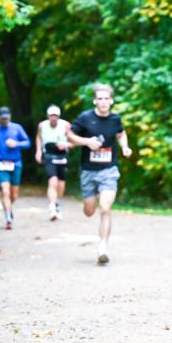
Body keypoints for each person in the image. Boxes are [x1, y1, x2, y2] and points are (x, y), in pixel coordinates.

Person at [66, 83, 132, 264]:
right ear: (95, 101)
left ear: (111, 101)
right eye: (100, 99)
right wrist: (86, 141)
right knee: (89, 211)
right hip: (88, 171)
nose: (103, 102)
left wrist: (125, 146)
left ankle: (103, 246)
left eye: (106, 99)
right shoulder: (85, 118)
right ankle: (92, 197)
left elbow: (120, 134)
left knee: (105, 208)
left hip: (109, 170)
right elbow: (70, 135)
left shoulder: (115, 119)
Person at [0, 106, 31, 230]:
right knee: (5, 191)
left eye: (6, 119)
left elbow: (28, 142)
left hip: (16, 163)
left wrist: (16, 143)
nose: (4, 121)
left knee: (14, 194)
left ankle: (8, 207)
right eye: (2, 119)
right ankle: (8, 218)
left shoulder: (17, 128)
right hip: (2, 164)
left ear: (10, 117)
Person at [35, 105, 72, 221]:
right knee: (52, 181)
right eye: (51, 116)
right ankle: (52, 207)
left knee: (61, 184)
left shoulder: (66, 125)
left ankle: (57, 204)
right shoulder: (42, 125)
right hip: (49, 155)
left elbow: (73, 140)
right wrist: (38, 151)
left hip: (62, 155)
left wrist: (66, 145)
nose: (53, 118)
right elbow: (38, 137)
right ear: (48, 116)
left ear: (59, 116)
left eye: (55, 116)